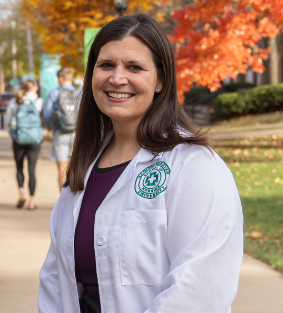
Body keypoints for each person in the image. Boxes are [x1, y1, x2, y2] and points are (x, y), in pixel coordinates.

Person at [38, 14, 243, 313]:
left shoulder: (194, 167)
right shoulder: (85, 167)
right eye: (106, 65)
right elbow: (55, 278)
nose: (117, 78)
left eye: (134, 67)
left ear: (161, 80)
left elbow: (201, 288)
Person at [5, 80, 43, 210]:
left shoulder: (15, 101)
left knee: (19, 168)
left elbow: (8, 123)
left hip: (19, 140)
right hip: (35, 140)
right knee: (32, 170)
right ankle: (31, 202)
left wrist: (15, 136)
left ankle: (22, 194)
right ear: (34, 88)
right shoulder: (38, 102)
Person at [42, 67, 81, 192]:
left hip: (60, 133)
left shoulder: (54, 93)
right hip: (77, 134)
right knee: (76, 169)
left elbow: (47, 114)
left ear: (60, 78)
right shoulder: (79, 92)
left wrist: (48, 126)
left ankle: (63, 204)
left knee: (62, 170)